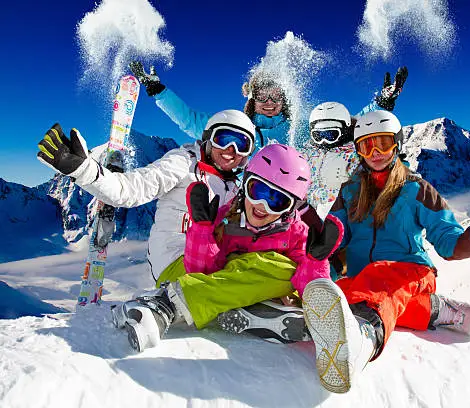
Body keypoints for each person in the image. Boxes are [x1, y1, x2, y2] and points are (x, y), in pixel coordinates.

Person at [299, 110, 470, 393]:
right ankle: (434, 310)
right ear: (358, 150)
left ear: (398, 144)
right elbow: (336, 232)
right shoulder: (350, 191)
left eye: (384, 142)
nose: (376, 152)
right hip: (363, 279)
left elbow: (447, 242)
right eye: (367, 145)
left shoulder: (417, 190)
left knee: (377, 280)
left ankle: (363, 338)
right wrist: (318, 251)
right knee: (341, 290)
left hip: (409, 271)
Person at [110, 144, 344, 350]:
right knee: (278, 268)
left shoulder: (296, 233)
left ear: (290, 208)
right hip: (216, 282)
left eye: (277, 200)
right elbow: (200, 272)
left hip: (257, 290)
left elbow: (310, 290)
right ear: (245, 185)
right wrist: (202, 230)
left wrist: (315, 262)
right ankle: (169, 304)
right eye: (258, 190)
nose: (262, 205)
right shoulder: (225, 219)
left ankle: (247, 310)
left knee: (287, 270)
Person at [36, 109, 258, 284]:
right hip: (177, 260)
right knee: (240, 280)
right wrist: (84, 170)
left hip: (212, 259)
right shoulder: (183, 163)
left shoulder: (237, 185)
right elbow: (132, 189)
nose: (231, 150)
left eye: (241, 144)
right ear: (209, 139)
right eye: (224, 139)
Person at [303, 67, 408, 218]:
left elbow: (365, 120)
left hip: (341, 218)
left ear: (345, 130)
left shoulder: (356, 152)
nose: (325, 141)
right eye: (318, 135)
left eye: (331, 134)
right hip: (307, 220)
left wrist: (383, 103)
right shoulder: (308, 151)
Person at [129, 62, 291, 148]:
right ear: (251, 99)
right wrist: (160, 92)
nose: (269, 102)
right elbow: (190, 121)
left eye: (276, 96)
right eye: (262, 96)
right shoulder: (235, 127)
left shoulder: (294, 128)